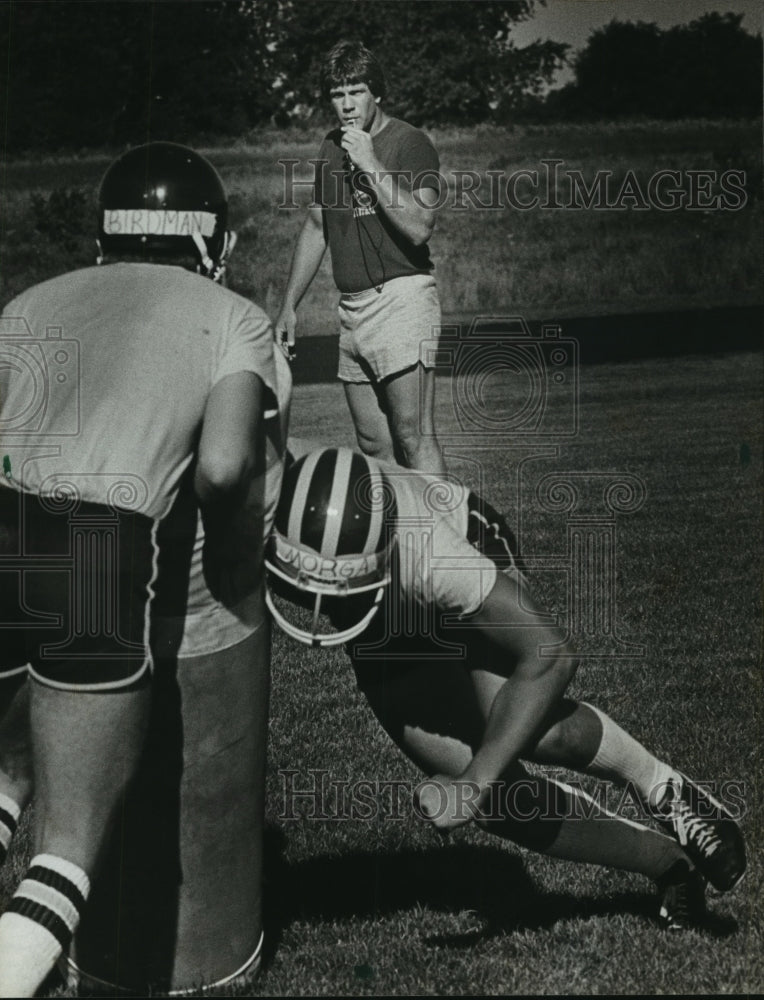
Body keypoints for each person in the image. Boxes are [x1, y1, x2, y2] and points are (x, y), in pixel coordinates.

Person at [0, 141, 281, 996]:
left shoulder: (26, 302)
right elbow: (227, 468)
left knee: (9, 776)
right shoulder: (233, 314)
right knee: (69, 846)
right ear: (212, 241)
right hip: (95, 540)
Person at [265, 446, 747, 932]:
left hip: (462, 541)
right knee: (501, 802)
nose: (319, 605)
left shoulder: (432, 556)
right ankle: (669, 866)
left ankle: (665, 789)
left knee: (528, 731)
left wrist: (471, 787)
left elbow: (551, 656)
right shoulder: (255, 508)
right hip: (381, 616)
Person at [274, 39, 446, 475]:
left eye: (356, 91)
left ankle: (442, 537)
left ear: (377, 92)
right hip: (352, 309)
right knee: (373, 443)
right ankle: (396, 542)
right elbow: (317, 227)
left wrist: (369, 162)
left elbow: (420, 225)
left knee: (413, 436)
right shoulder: (331, 149)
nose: (347, 105)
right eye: (337, 93)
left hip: (402, 300)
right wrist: (289, 305)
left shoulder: (411, 143)